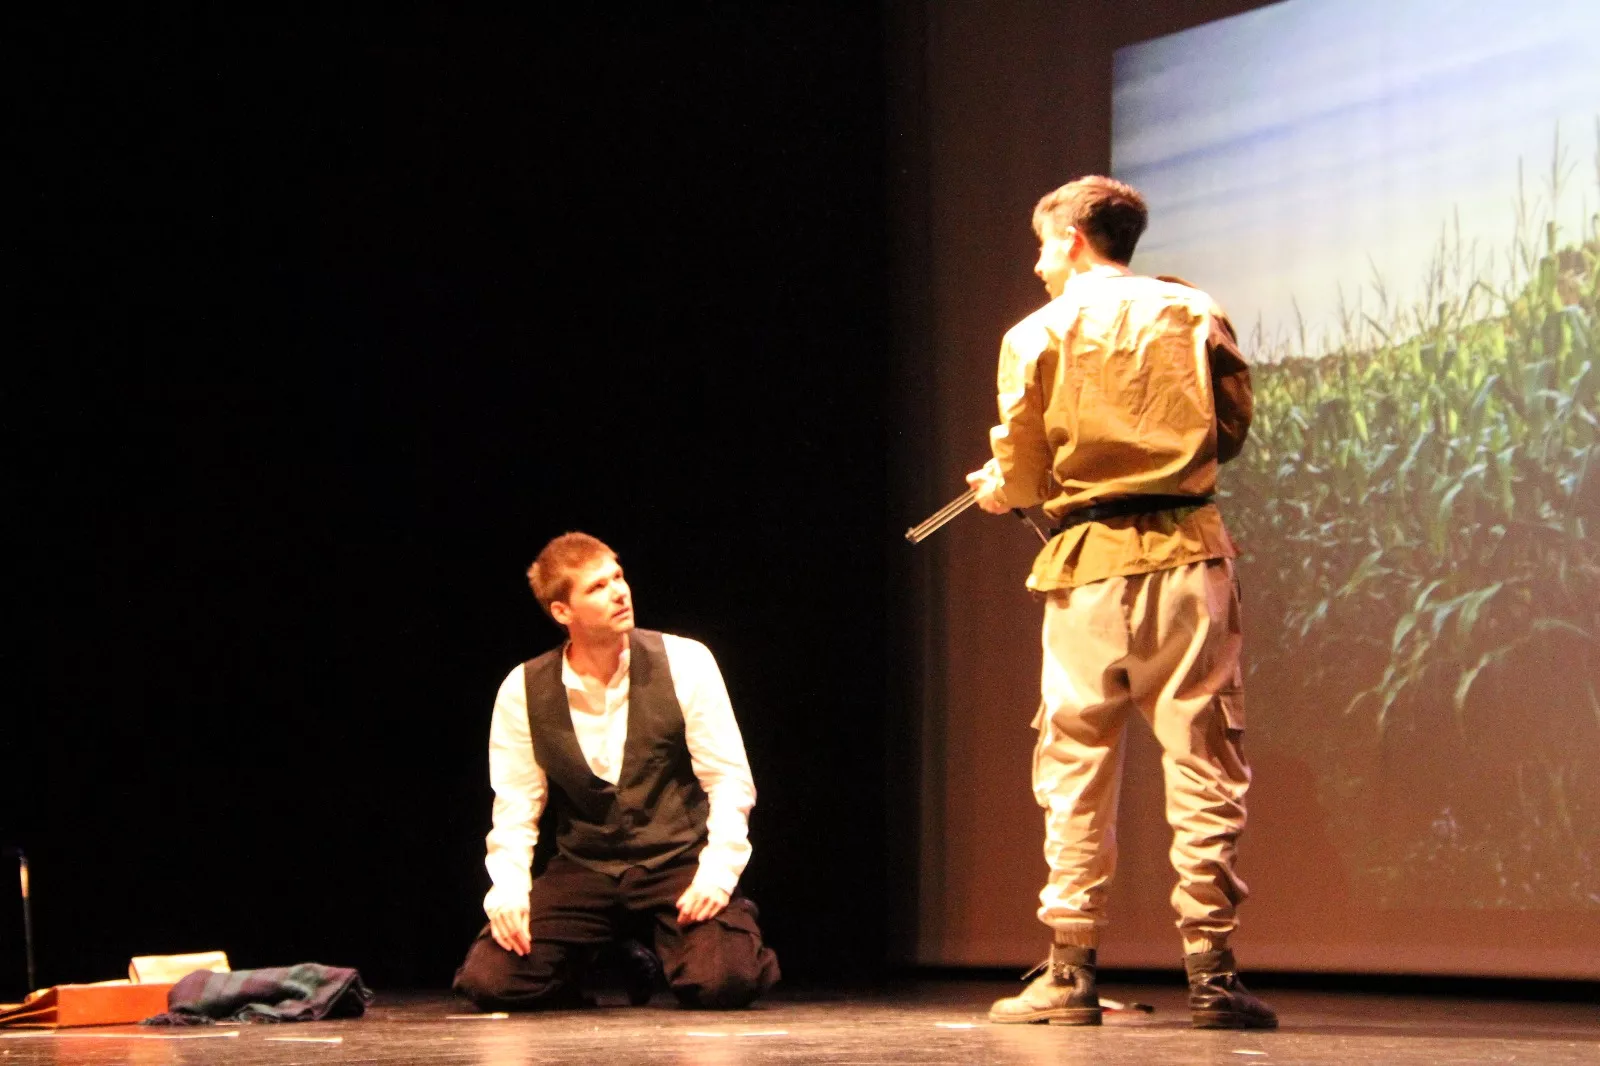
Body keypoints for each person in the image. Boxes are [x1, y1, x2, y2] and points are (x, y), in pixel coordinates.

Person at [968, 176, 1276, 1030]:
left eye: (1040, 245)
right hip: (1187, 557)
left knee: (1074, 765)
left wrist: (1001, 491)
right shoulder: (1193, 311)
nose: (1037, 264)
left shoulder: (1035, 334)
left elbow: (1025, 474)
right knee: (1206, 761)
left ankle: (1069, 970)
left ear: (1070, 236)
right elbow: (1232, 430)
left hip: (1087, 570)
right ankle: (1212, 974)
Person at [452, 532, 780, 1011]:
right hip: (586, 866)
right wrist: (508, 892)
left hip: (676, 860)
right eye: (598, 587)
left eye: (618, 576)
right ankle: (602, 959)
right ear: (562, 611)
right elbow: (516, 808)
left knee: (723, 980)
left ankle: (709, 939)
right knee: (491, 982)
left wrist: (717, 875)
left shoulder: (687, 662)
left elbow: (729, 781)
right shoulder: (523, 689)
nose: (620, 591)